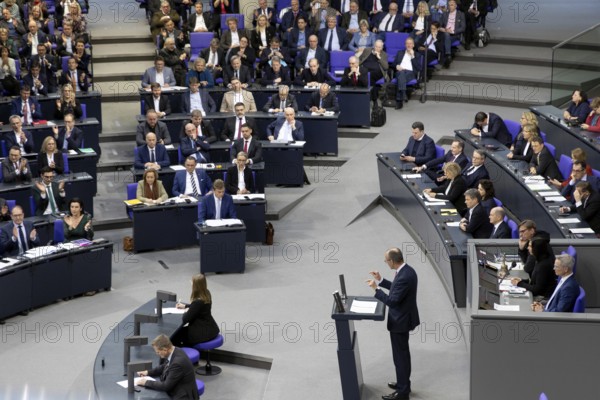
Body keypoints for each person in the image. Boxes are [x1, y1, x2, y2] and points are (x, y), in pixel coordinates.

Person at [366, 247, 419, 400]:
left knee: (400, 357)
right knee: (401, 355)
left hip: (400, 321)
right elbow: (396, 288)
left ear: (392, 261)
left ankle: (403, 392)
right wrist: (381, 280)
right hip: (403, 318)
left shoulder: (404, 276)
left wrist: (376, 289)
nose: (385, 263)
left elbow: (393, 301)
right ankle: (403, 383)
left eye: (386, 260)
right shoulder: (407, 270)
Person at [136, 334, 199, 400]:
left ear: (165, 349)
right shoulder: (175, 350)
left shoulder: (177, 363)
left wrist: (146, 382)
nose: (157, 354)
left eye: (158, 352)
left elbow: (166, 386)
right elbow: (164, 366)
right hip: (178, 387)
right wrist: (148, 372)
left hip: (183, 396)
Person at [171, 273, 220, 347]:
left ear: (196, 286)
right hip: (211, 329)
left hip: (202, 333)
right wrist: (186, 306)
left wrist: (186, 311)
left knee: (174, 336)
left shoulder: (197, 302)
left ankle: (183, 355)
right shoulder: (206, 293)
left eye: (192, 282)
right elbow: (200, 308)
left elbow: (185, 319)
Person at [392, 37, 420, 108]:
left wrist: (412, 56)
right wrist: (396, 66)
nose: (409, 45)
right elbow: (393, 64)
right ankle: (404, 94)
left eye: (410, 43)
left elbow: (418, 68)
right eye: (407, 43)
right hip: (400, 71)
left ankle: (399, 100)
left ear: (413, 45)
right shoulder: (400, 53)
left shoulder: (417, 55)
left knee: (401, 77)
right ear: (405, 45)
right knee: (401, 74)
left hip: (410, 73)